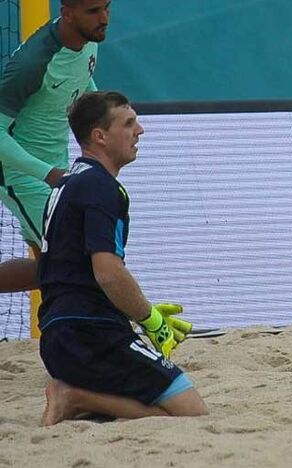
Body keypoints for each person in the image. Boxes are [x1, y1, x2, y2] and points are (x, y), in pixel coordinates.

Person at [38, 91, 207, 425]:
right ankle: (72, 396)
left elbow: (61, 266)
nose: (139, 131)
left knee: (126, 409)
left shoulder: (67, 184)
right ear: (99, 136)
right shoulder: (101, 187)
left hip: (58, 336)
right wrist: (150, 319)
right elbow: (108, 272)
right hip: (91, 333)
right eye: (128, 124)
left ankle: (81, 398)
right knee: (192, 411)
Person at [0, 0, 108, 297]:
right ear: (67, 13)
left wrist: (107, 116)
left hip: (56, 164)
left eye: (107, 8)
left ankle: (55, 325)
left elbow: (80, 85)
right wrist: (47, 174)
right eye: (93, 11)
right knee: (69, 264)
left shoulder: (89, 40)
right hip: (21, 173)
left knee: (51, 265)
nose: (104, 19)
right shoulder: (33, 63)